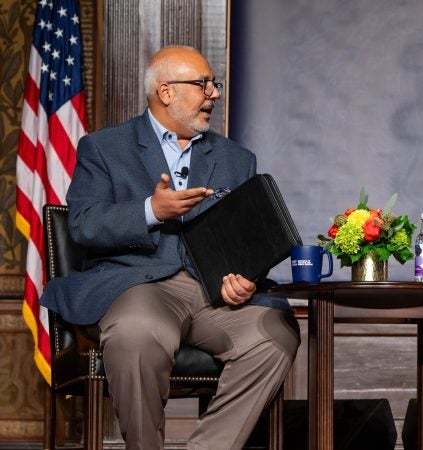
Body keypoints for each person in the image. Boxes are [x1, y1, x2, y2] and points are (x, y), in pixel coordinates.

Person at [40, 45, 300, 450]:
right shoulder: (105, 148)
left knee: (274, 335)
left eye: (214, 85)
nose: (213, 93)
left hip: (212, 297)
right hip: (135, 286)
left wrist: (245, 278)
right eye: (202, 84)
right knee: (137, 334)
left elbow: (244, 241)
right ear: (165, 91)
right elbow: (84, 224)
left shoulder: (236, 158)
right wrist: (150, 210)